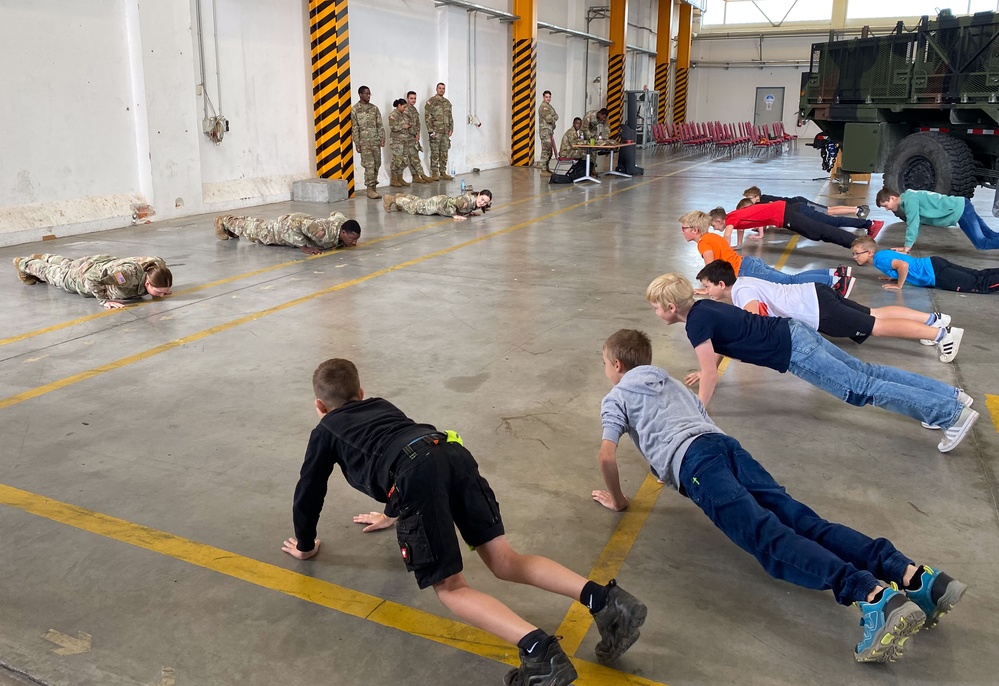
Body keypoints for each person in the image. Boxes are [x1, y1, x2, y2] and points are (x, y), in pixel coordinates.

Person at [593, 328, 967, 663]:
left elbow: (607, 454)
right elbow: (697, 415)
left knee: (766, 538)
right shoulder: (671, 381)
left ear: (616, 364)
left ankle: (872, 597)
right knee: (805, 522)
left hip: (698, 467)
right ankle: (918, 579)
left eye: (606, 365)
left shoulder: (616, 397)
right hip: (725, 447)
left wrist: (620, 498)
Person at [284, 358, 648, 685]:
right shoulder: (380, 406)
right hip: (449, 449)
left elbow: (310, 490)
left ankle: (539, 653)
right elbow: (400, 447)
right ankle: (605, 601)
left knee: (451, 587)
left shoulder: (326, 430)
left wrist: (305, 544)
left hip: (416, 474)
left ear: (320, 405)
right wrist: (391, 511)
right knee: (505, 559)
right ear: (361, 393)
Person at [645, 273, 979, 453]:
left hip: (793, 350)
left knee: (859, 388)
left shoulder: (695, 324)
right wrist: (704, 370)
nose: (656, 314)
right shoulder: (704, 307)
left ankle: (950, 415)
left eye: (656, 308)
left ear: (671, 307)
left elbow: (709, 373)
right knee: (867, 373)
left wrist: (699, 411)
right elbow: (720, 346)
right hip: (794, 331)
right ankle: (950, 396)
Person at [696, 259, 963, 363]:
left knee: (876, 326)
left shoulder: (742, 293)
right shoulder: (743, 281)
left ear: (721, 284)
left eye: (707, 287)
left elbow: (754, 322)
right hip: (816, 293)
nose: (706, 292)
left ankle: (942, 336)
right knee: (874, 313)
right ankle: (934, 320)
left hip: (818, 310)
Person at [680, 210, 855, 296]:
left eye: (684, 228)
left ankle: (834, 281)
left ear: (694, 230)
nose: (682, 231)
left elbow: (710, 268)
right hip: (749, 264)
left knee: (789, 281)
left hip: (746, 270)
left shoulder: (703, 243)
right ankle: (833, 273)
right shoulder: (711, 236)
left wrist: (706, 288)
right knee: (790, 279)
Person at [13, 254, 172, 309]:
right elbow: (92, 279)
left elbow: (158, 260)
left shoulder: (157, 269)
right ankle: (24, 263)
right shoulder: (127, 276)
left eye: (164, 292)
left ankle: (45, 257)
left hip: (99, 262)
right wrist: (104, 301)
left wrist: (162, 289)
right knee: (52, 274)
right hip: (82, 278)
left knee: (68, 264)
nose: (162, 295)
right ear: (147, 283)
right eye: (159, 292)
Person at [711, 200, 884, 250]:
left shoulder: (731, 218)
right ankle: (858, 244)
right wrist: (739, 246)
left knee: (820, 231)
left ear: (720, 220)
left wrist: (723, 253)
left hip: (784, 214)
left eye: (714, 226)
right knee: (817, 232)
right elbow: (738, 230)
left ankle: (858, 244)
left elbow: (727, 233)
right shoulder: (735, 218)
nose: (715, 229)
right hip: (783, 211)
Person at [851, 235, 999, 293]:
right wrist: (894, 275)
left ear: (869, 252)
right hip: (934, 264)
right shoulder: (881, 255)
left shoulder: (879, 260)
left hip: (935, 274)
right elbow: (903, 260)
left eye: (857, 253)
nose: (854, 257)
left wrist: (899, 285)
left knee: (980, 285)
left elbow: (903, 265)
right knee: (977, 275)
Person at [875, 186, 999, 251]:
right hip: (962, 205)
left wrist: (907, 246)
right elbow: (916, 224)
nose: (886, 209)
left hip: (960, 211)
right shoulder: (909, 197)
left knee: (981, 243)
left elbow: (913, 223)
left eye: (885, 206)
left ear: (892, 198)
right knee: (990, 234)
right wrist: (909, 244)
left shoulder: (909, 201)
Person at [214, 212, 361, 254]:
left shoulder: (341, 223)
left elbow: (337, 214)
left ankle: (231, 228)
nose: (354, 242)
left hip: (292, 226)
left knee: (255, 225)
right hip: (283, 229)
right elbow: (296, 222)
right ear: (343, 232)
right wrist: (304, 247)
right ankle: (223, 220)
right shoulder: (323, 232)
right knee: (255, 230)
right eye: (352, 238)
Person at [743, 185, 869, 219]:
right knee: (829, 210)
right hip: (798, 202)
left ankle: (857, 210)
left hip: (800, 203)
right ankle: (857, 208)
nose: (749, 201)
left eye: (750, 198)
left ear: (757, 197)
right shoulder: (762, 199)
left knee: (829, 211)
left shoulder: (763, 201)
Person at [352, 85, 386, 199]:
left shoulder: (374, 108)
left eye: (369, 94)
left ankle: (374, 187)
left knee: (377, 164)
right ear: (360, 94)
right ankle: (370, 189)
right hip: (364, 143)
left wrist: (382, 137)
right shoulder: (355, 109)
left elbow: (379, 124)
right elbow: (355, 127)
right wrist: (357, 143)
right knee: (369, 166)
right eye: (366, 94)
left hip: (375, 141)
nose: (368, 96)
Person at [383, 189, 492, 221]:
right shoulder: (466, 201)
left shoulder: (474, 202)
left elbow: (466, 206)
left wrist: (469, 212)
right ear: (478, 195)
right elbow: (452, 202)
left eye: (485, 202)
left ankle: (401, 196)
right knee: (415, 207)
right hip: (438, 205)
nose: (482, 203)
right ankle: (391, 199)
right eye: (482, 199)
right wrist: (454, 215)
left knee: (420, 202)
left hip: (440, 202)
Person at [425, 82, 454, 181]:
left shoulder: (447, 103)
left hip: (445, 132)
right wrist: (430, 131)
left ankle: (443, 172)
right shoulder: (431, 102)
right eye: (440, 88)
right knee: (435, 152)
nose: (441, 90)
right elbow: (427, 117)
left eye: (443, 88)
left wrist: (451, 129)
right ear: (436, 89)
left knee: (444, 152)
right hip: (435, 132)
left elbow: (450, 117)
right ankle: (434, 173)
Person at [404, 91, 432, 183]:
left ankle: (417, 175)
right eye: (411, 98)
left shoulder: (414, 109)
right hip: (408, 136)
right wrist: (414, 133)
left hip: (414, 136)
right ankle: (420, 175)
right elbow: (407, 124)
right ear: (407, 98)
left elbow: (417, 123)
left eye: (414, 98)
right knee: (413, 157)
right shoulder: (405, 109)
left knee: (414, 156)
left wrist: (418, 133)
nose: (413, 100)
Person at [388, 99, 413, 188]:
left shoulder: (404, 115)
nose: (405, 109)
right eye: (404, 107)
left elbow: (410, 123)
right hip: (396, 142)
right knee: (397, 160)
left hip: (405, 141)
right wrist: (403, 126)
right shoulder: (393, 115)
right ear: (398, 105)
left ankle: (400, 177)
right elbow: (392, 127)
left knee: (405, 160)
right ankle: (394, 179)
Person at [538, 90, 559, 176]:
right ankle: (543, 169)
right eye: (546, 97)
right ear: (543, 97)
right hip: (545, 132)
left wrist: (554, 117)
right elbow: (549, 118)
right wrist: (554, 117)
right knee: (546, 150)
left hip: (549, 131)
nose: (548, 98)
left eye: (549, 97)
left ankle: (546, 168)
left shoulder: (549, 106)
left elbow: (556, 115)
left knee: (549, 151)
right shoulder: (544, 107)